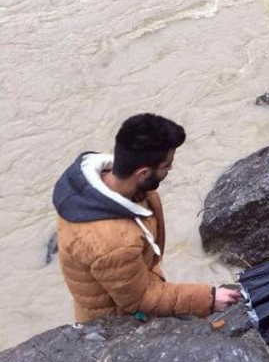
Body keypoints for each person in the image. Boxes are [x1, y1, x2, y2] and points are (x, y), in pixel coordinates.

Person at [52, 113, 242, 322]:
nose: (171, 168)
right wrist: (209, 298)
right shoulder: (114, 243)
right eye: (166, 165)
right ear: (143, 173)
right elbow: (140, 299)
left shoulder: (102, 183)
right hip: (118, 321)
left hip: (126, 284)